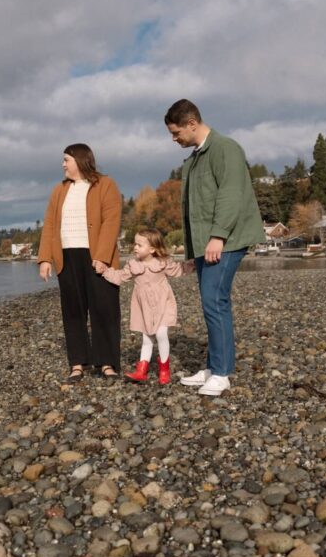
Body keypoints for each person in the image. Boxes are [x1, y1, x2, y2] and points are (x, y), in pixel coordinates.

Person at [164, 99, 265, 396]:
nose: (174, 139)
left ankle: (222, 373)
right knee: (211, 303)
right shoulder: (195, 158)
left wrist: (218, 236)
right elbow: (195, 209)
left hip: (227, 240)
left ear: (192, 124)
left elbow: (231, 195)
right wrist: (193, 252)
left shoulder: (225, 149)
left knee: (215, 301)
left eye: (175, 132)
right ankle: (212, 367)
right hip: (208, 244)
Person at [37, 143, 123, 382]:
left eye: (66, 160)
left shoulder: (106, 185)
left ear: (80, 160)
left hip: (97, 257)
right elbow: (50, 226)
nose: (63, 164)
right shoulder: (59, 190)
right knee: (73, 312)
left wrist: (103, 257)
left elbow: (111, 221)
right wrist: (45, 259)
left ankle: (106, 363)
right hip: (66, 257)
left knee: (104, 310)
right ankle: (77, 363)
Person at [93, 229, 194, 384]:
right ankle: (142, 370)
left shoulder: (162, 263)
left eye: (140, 245)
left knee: (161, 334)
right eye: (135, 244)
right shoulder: (133, 264)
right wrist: (105, 271)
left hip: (163, 303)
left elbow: (178, 270)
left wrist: (194, 264)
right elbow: (120, 277)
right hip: (144, 307)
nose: (135, 247)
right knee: (147, 338)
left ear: (152, 249)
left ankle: (164, 370)